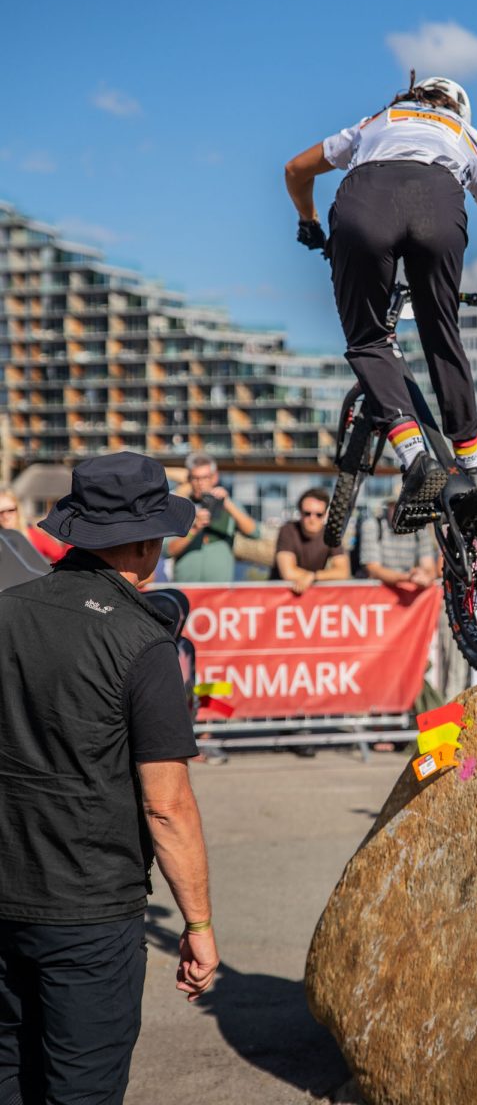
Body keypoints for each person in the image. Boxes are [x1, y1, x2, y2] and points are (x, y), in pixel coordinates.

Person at [0, 451, 219, 1105]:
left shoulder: (6, 610)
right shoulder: (142, 642)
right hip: (89, 912)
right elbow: (167, 807)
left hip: (6, 891)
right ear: (147, 543)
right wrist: (198, 924)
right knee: (81, 1089)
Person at [285, 72, 477, 515]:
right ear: (459, 111)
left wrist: (309, 222)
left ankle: (414, 456)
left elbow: (295, 169)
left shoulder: (375, 122)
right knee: (441, 332)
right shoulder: (467, 135)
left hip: (366, 204)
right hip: (437, 207)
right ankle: (471, 464)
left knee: (368, 338)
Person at [167, 453, 261, 582]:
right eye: (195, 478)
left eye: (205, 478)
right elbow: (168, 550)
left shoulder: (229, 505)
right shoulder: (180, 507)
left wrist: (227, 503)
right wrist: (194, 529)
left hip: (220, 589)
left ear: (215, 477)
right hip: (186, 587)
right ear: (189, 479)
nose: (200, 483)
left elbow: (254, 533)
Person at [273, 488, 350, 596]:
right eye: (307, 513)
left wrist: (313, 576)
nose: (312, 519)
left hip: (314, 597)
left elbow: (343, 572)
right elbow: (288, 572)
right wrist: (313, 577)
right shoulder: (288, 530)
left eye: (319, 514)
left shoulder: (331, 533)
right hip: (282, 597)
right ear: (300, 513)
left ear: (325, 514)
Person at [359, 500, 438, 588]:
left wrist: (425, 576)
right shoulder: (373, 525)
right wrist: (408, 577)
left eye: (405, 504)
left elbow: (429, 567)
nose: (400, 510)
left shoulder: (420, 528)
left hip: (410, 589)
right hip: (382, 591)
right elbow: (373, 569)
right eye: (395, 505)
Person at [0, 486, 67, 562]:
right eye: (1, 512)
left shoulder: (33, 535)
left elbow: (60, 557)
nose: (6, 516)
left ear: (18, 510)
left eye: (10, 510)